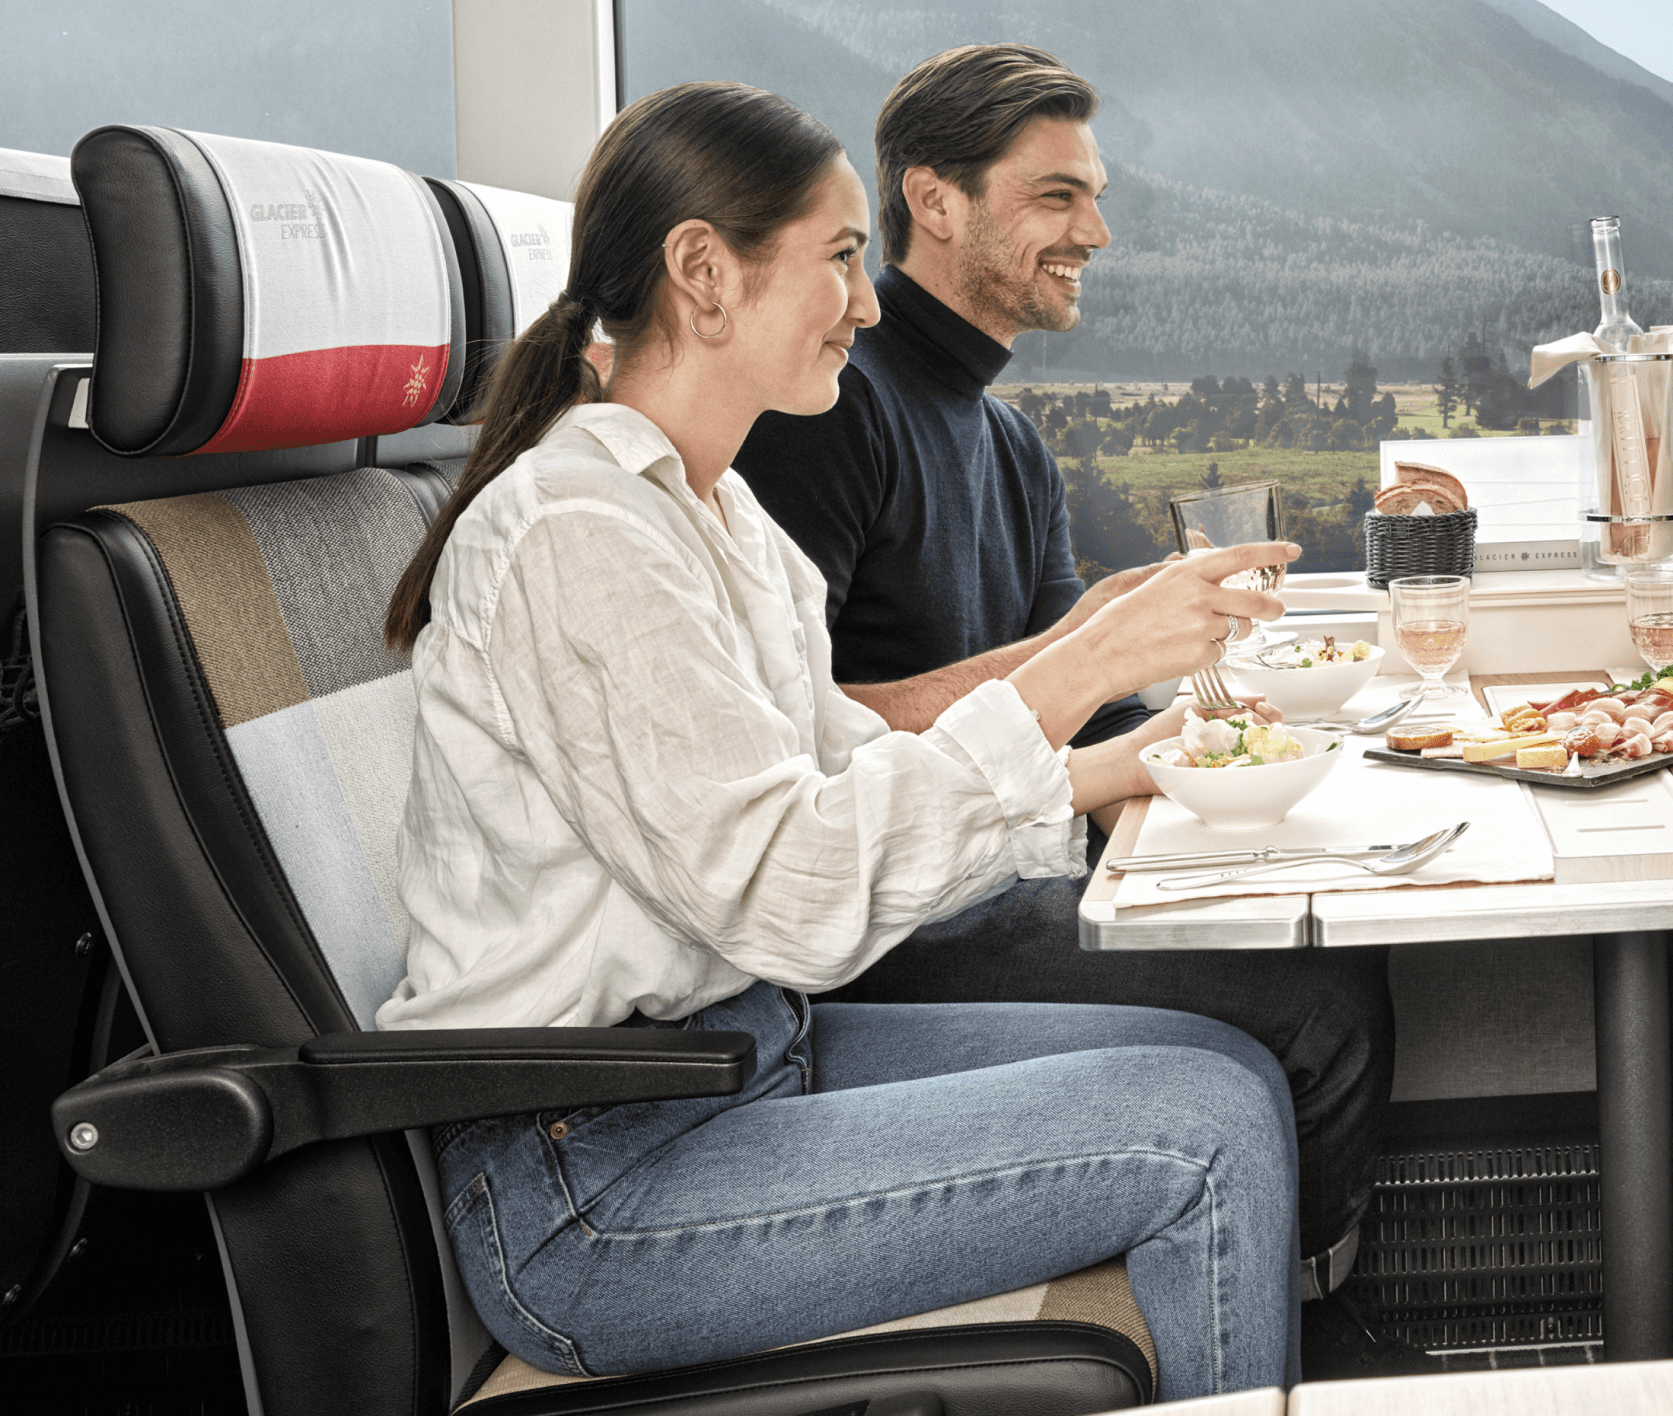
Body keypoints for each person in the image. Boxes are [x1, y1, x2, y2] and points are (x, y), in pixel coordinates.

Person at [383, 81, 1305, 1396]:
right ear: (703, 274)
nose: (869, 306)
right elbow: (794, 891)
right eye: (840, 258)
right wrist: (1087, 661)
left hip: (746, 1062)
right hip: (593, 1186)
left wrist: (1123, 762)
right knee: (1201, 1129)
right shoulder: (573, 535)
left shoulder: (717, 517)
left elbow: (848, 771)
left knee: (1229, 1067)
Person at [724, 45, 1396, 1325]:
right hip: (888, 920)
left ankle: (1285, 1307)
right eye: (1054, 197)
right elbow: (806, 729)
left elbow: (1083, 701)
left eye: (1093, 193)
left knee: (1322, 910)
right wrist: (1084, 644)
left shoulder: (1007, 434)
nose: (1096, 228)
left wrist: (1275, 726)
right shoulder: (832, 412)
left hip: (1002, 851)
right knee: (1318, 998)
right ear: (934, 201)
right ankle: (1314, 1334)